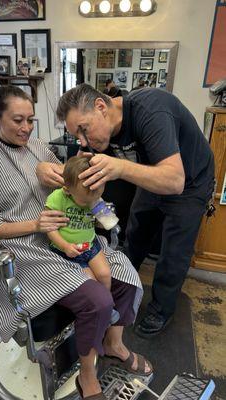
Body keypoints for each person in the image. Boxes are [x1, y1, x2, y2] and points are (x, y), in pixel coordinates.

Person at [0, 85, 152, 399]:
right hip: (26, 250)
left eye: (31, 120)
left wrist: (80, 178)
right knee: (98, 301)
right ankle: (87, 377)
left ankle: (113, 345)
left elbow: (71, 188)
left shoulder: (39, 148)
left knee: (128, 278)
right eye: (17, 120)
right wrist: (35, 223)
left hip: (66, 234)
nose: (26, 128)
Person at [56, 83, 215, 338]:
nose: (85, 141)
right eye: (78, 135)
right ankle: (124, 285)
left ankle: (162, 309)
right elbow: (79, 175)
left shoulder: (151, 110)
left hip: (191, 182)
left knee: (174, 251)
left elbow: (174, 181)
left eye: (84, 130)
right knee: (137, 232)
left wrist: (118, 167)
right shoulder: (96, 135)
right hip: (150, 173)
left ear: (100, 107)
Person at [45, 155, 120, 324]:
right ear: (67, 189)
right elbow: (50, 228)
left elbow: (107, 222)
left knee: (104, 274)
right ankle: (100, 306)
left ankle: (107, 307)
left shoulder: (93, 197)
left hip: (90, 245)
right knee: (91, 283)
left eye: (96, 196)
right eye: (85, 200)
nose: (91, 203)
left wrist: (105, 219)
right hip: (66, 251)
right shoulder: (58, 198)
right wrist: (64, 246)